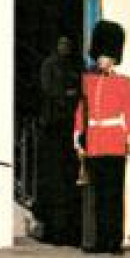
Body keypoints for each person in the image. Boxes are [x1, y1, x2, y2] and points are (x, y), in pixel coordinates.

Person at [74, 20, 130, 256]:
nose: (101, 60)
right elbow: (82, 110)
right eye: (99, 56)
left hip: (114, 142)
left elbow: (128, 112)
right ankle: (100, 240)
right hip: (95, 143)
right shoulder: (88, 81)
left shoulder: (124, 82)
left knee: (114, 195)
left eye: (106, 57)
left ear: (114, 58)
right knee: (98, 196)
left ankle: (114, 241)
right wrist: (79, 135)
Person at [34, 35, 83, 246]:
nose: (66, 47)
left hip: (66, 126)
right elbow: (49, 90)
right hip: (54, 126)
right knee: (55, 179)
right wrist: (66, 95)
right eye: (62, 43)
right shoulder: (49, 65)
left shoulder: (72, 65)